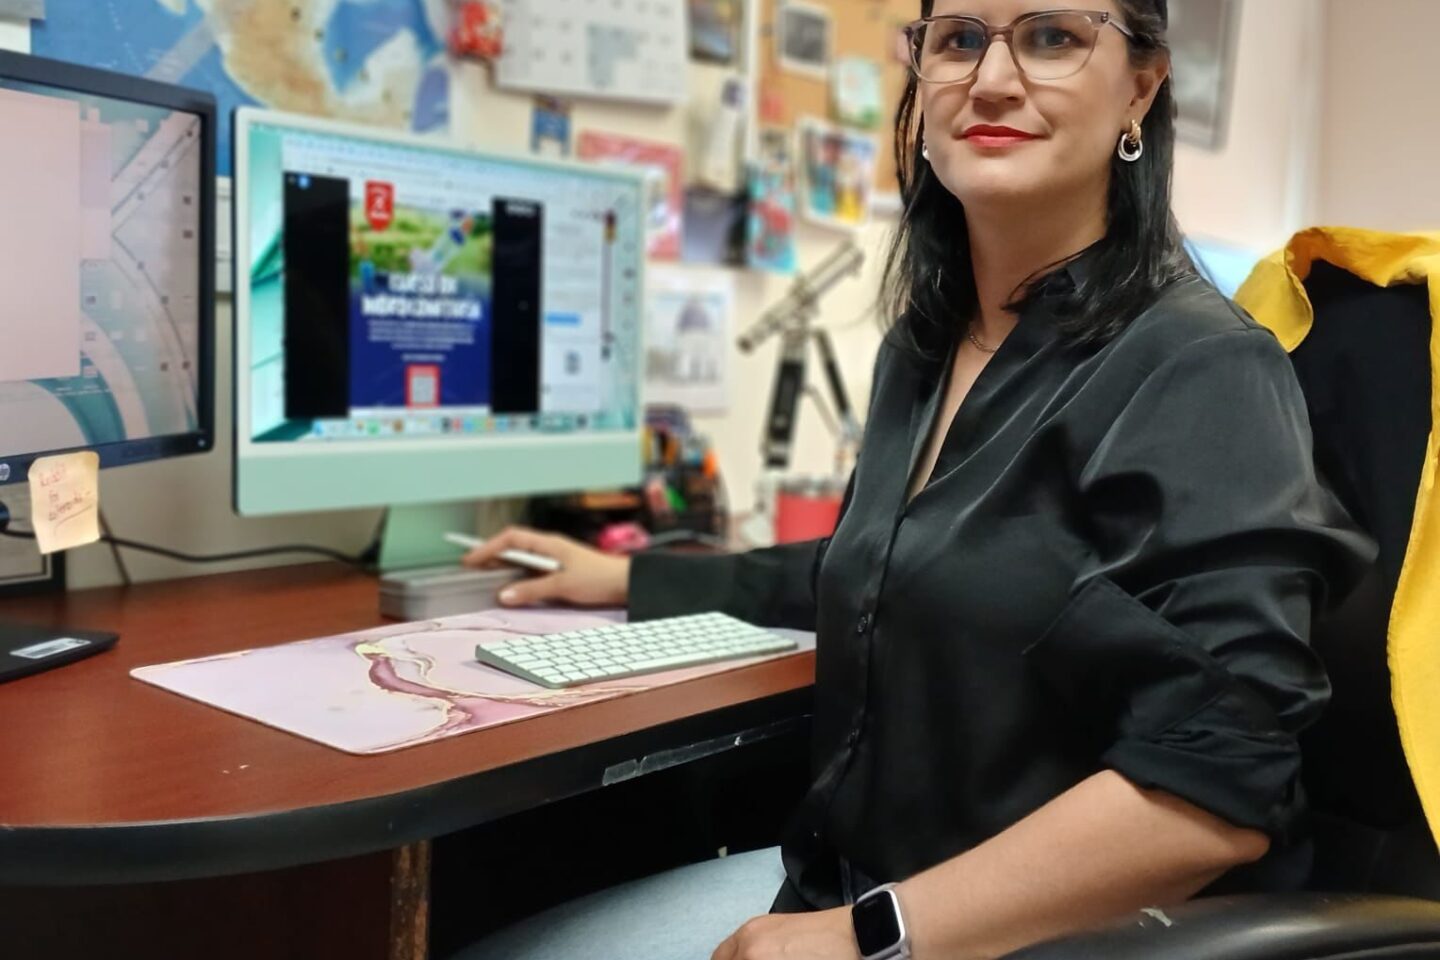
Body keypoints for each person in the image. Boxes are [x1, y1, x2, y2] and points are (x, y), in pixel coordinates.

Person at [461, 2, 1373, 957]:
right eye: (960, 39)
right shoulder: (928, 345)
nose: (992, 78)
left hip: (1030, 936)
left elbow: (1216, 788)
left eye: (1053, 37)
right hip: (845, 883)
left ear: (1140, 89)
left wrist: (865, 938)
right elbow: (878, 565)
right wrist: (631, 579)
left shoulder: (1201, 368)